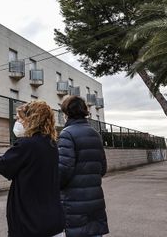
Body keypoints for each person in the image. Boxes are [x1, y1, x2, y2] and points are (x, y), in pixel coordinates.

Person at [0, 101, 65, 237]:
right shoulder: (51, 144)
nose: (17, 122)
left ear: (31, 119)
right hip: (53, 220)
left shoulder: (26, 145)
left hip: (29, 224)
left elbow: (3, 166)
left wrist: (21, 141)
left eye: (19, 118)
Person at [58, 96, 109, 237]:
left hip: (74, 202)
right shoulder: (95, 134)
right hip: (95, 198)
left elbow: (63, 171)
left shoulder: (66, 134)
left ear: (67, 113)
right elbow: (103, 168)